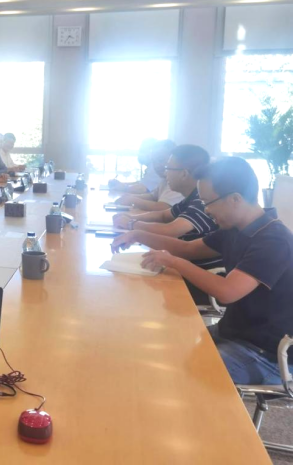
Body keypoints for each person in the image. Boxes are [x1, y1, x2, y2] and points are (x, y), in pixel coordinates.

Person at [117, 157, 293, 385]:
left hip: (265, 353)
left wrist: (174, 262)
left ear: (235, 199)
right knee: (162, 349)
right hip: (233, 333)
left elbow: (227, 291)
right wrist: (137, 235)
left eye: (208, 202)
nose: (206, 210)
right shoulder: (235, 228)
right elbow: (188, 249)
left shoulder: (273, 240)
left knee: (183, 378)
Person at [111, 144, 221, 303]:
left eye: (168, 168)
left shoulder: (202, 202)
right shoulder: (192, 198)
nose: (164, 171)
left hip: (194, 280)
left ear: (184, 173)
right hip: (182, 268)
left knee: (129, 291)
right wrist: (133, 223)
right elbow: (164, 216)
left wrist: (133, 225)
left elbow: (172, 230)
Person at [113, 139, 183, 211]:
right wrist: (131, 197)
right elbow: (153, 196)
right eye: (153, 162)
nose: (156, 165)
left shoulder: (177, 181)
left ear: (173, 159)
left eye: (161, 160)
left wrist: (134, 201)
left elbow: (163, 207)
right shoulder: (164, 179)